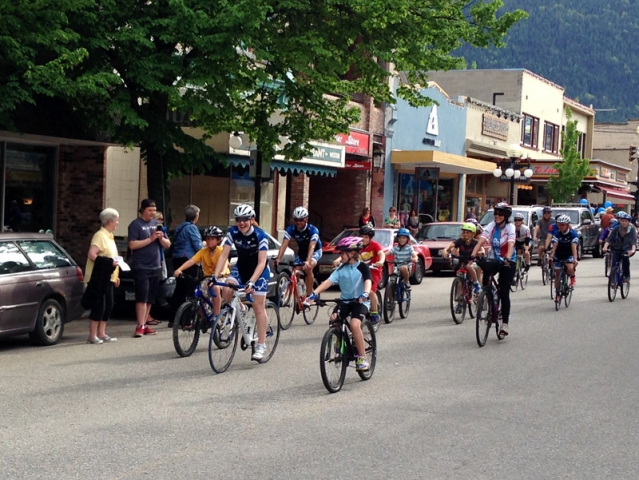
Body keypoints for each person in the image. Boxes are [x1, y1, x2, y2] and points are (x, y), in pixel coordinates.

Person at [305, 236, 372, 372]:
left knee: (354, 324)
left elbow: (368, 281)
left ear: (352, 253)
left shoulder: (362, 267)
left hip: (360, 301)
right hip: (345, 301)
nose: (340, 255)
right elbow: (328, 282)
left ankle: (362, 357)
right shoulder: (341, 269)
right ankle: (338, 340)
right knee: (334, 319)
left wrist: (365, 293)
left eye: (342, 253)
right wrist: (314, 293)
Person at [213, 205, 271, 362]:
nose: (242, 222)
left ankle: (261, 345)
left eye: (245, 219)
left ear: (252, 219)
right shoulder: (232, 232)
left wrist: (252, 282)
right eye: (239, 219)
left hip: (259, 272)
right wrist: (215, 275)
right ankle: (241, 309)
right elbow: (223, 255)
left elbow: (261, 262)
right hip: (241, 268)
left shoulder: (261, 236)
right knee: (226, 290)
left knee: (259, 307)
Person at [471, 202, 516, 337]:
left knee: (504, 291)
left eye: (500, 214)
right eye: (495, 213)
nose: (496, 216)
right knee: (486, 279)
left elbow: (511, 243)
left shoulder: (510, 227)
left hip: (509, 261)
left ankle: (505, 324)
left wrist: (508, 257)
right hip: (495, 258)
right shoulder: (491, 226)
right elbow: (481, 240)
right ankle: (489, 298)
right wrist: (473, 254)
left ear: (506, 216)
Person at [128, 199, 171, 337]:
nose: (152, 213)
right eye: (150, 210)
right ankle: (139, 326)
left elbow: (167, 244)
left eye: (154, 210)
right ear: (143, 210)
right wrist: (151, 239)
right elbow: (132, 245)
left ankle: (145, 324)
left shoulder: (157, 224)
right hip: (141, 266)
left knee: (151, 298)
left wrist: (160, 239)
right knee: (142, 297)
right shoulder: (135, 225)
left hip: (156, 265)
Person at [173, 226, 230, 320]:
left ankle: (216, 316)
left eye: (212, 239)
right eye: (207, 239)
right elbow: (191, 261)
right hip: (207, 278)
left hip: (221, 278)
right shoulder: (203, 251)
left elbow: (224, 264)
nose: (209, 241)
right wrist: (179, 269)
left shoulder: (221, 251)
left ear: (218, 240)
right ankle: (202, 318)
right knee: (198, 292)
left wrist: (221, 273)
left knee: (215, 287)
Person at [333, 225, 385, 326]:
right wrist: (338, 259)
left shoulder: (375, 245)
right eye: (362, 236)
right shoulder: (357, 245)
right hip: (359, 270)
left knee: (370, 291)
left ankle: (374, 312)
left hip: (373, 270)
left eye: (366, 237)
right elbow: (348, 252)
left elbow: (381, 254)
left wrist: (381, 261)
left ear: (370, 238)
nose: (364, 239)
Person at [83, 208, 121, 344]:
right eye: (116, 220)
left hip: (109, 277)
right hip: (99, 278)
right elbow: (92, 254)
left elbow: (112, 257)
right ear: (110, 221)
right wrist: (108, 263)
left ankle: (102, 333)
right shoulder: (100, 235)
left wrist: (116, 276)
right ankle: (92, 335)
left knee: (108, 305)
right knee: (99, 305)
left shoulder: (110, 236)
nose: (118, 222)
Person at [275, 206, 322, 297]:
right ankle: (300, 293)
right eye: (296, 220)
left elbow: (312, 246)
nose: (298, 222)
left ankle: (309, 295)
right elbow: (284, 244)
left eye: (301, 220)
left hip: (315, 251)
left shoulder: (313, 230)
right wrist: (278, 258)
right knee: (295, 270)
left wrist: (308, 261)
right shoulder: (291, 229)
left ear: (306, 220)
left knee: (308, 268)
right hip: (302, 252)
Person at [172, 205, 203, 309]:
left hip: (176, 259)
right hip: (188, 260)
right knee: (189, 288)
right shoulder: (192, 228)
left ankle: (174, 316)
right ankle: (185, 318)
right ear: (196, 216)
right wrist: (204, 244)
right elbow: (198, 247)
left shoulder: (180, 227)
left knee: (179, 288)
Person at [443, 222, 482, 294]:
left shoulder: (476, 242)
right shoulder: (460, 241)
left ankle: (476, 283)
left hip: (472, 262)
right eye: (464, 232)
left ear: (473, 234)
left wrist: (478, 253)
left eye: (468, 233)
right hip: (462, 261)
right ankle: (459, 299)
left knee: (470, 267)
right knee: (460, 279)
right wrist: (445, 250)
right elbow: (451, 244)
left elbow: (482, 250)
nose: (465, 234)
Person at [549, 214, 579, 301]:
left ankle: (572, 278)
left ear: (567, 225)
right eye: (559, 224)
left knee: (570, 268)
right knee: (557, 273)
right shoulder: (557, 233)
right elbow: (554, 246)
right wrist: (551, 256)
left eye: (562, 224)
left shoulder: (573, 234)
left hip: (569, 254)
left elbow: (574, 247)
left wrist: (575, 258)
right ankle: (558, 293)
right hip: (559, 254)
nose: (560, 226)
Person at [603, 212, 637, 283]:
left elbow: (634, 241)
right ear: (620, 221)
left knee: (625, 259)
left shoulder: (632, 230)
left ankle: (626, 276)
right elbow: (609, 239)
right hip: (617, 248)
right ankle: (612, 279)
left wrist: (633, 250)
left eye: (626, 221)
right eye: (623, 221)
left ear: (629, 222)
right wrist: (605, 247)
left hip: (627, 248)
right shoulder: (616, 228)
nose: (624, 223)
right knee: (614, 263)